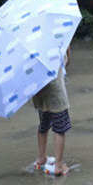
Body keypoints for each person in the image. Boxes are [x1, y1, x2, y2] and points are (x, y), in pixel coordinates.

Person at [33, 47, 72, 175]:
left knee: (43, 125)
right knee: (60, 128)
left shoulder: (33, 48)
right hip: (56, 94)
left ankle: (41, 158)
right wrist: (67, 49)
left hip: (40, 92)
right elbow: (66, 62)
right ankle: (59, 165)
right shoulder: (56, 43)